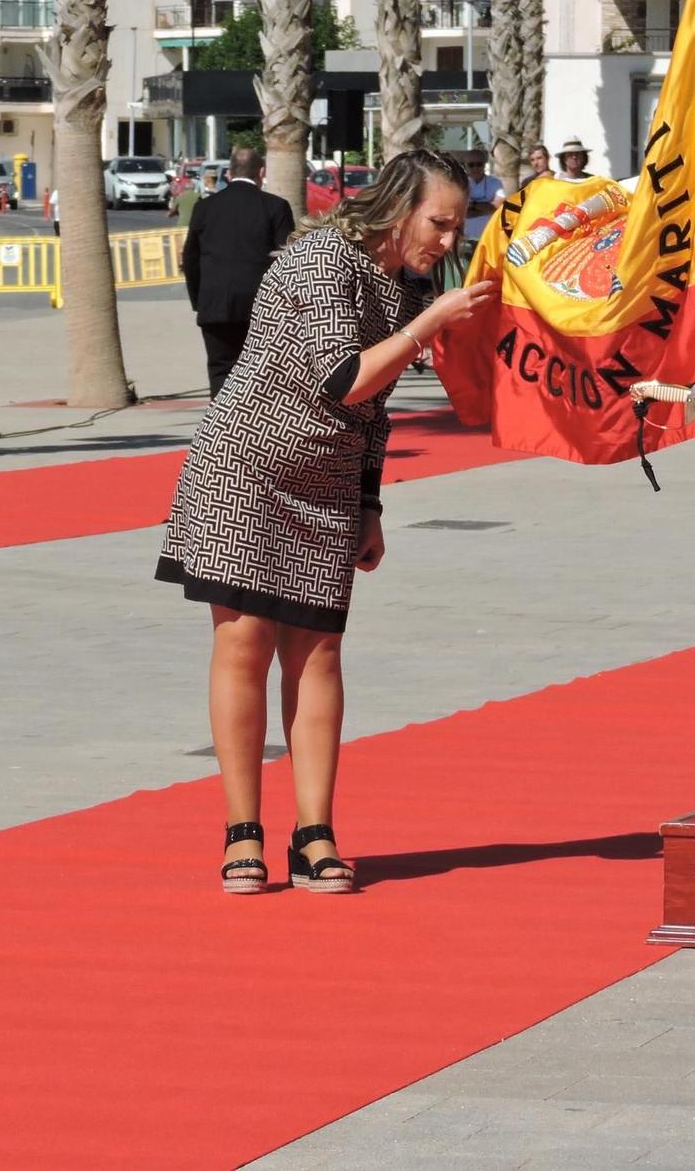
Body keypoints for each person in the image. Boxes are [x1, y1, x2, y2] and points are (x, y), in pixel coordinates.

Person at [156, 149, 496, 895]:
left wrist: (369, 501)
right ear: (401, 206)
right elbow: (342, 378)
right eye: (438, 223)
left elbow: (373, 412)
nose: (446, 241)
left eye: (457, 226)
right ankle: (241, 831)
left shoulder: (406, 285)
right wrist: (432, 321)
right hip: (243, 470)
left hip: (327, 483)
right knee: (244, 644)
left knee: (318, 657)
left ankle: (315, 832)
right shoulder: (323, 261)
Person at [181, 145, 295, 398]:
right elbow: (286, 260)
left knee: (220, 370)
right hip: (261, 307)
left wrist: (200, 300)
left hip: (215, 304)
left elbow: (190, 258)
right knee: (260, 372)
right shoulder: (276, 207)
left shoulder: (205, 208)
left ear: (229, 174)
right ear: (261, 172)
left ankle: (220, 429)